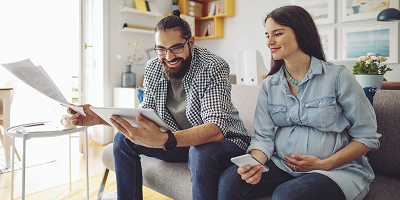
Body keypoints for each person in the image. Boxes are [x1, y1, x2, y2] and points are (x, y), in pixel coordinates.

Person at [68, 10, 250, 200]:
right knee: (123, 140)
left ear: (191, 42)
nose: (169, 57)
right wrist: (99, 118)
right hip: (181, 141)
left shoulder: (212, 66)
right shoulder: (154, 67)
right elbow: (143, 119)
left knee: (200, 151)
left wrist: (166, 140)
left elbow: (215, 130)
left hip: (225, 143)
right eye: (161, 49)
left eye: (176, 47)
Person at [218, 5, 381, 200]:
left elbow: (367, 137)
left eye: (277, 34)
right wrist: (255, 163)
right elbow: (263, 137)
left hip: (335, 170)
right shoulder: (269, 85)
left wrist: (325, 163)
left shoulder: (338, 76)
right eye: (267, 35)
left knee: (287, 195)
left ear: (301, 32)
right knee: (230, 181)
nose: (270, 42)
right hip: (282, 165)